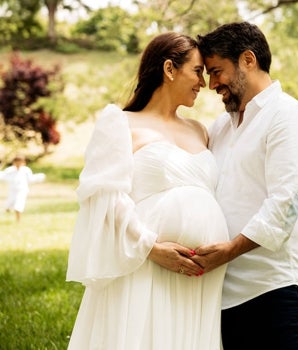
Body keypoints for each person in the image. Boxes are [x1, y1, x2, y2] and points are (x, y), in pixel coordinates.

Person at [66, 32, 228, 350]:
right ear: (169, 69)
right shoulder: (121, 123)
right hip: (146, 264)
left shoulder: (200, 130)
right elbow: (105, 197)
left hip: (202, 275)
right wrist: (152, 248)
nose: (203, 83)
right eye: (197, 71)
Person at [193, 22, 298, 349]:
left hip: (276, 290)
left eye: (217, 71)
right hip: (221, 298)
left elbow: (286, 204)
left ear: (248, 60)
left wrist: (230, 250)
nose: (211, 84)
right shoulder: (220, 127)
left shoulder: (287, 116)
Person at [0, 154, 45, 222]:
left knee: (18, 205)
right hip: (12, 190)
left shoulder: (26, 170)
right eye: (16, 162)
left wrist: (39, 177)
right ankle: (8, 208)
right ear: (13, 162)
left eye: (20, 162)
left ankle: (18, 220)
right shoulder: (10, 170)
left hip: (22, 190)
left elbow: (31, 179)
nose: (18, 163)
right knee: (9, 204)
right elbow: (3, 176)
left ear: (24, 163)